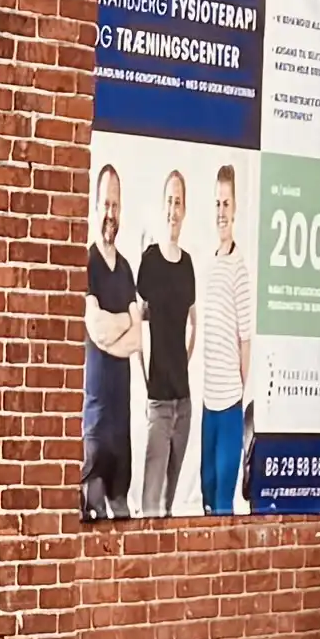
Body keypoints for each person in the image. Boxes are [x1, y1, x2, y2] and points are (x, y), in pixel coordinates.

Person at [132, 164, 200, 518]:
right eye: (169, 201)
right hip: (158, 402)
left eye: (179, 202)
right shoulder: (149, 261)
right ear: (163, 207)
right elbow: (138, 322)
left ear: (185, 210)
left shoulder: (188, 264)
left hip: (184, 404)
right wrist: (145, 376)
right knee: (150, 506)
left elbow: (193, 325)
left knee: (169, 509)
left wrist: (181, 361)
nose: (174, 209)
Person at [78, 160, 137, 521]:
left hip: (123, 427)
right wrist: (125, 321)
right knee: (95, 517)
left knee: (123, 514)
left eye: (115, 205)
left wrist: (117, 332)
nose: (110, 213)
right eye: (105, 205)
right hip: (96, 426)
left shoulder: (127, 268)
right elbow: (96, 329)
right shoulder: (88, 262)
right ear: (95, 206)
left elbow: (137, 341)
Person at [194, 160, 254, 516]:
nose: (221, 211)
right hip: (207, 406)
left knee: (222, 505)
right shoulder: (209, 263)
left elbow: (246, 341)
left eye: (226, 204)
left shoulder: (240, 270)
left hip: (230, 406)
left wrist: (237, 391)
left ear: (235, 210)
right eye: (217, 203)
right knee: (205, 494)